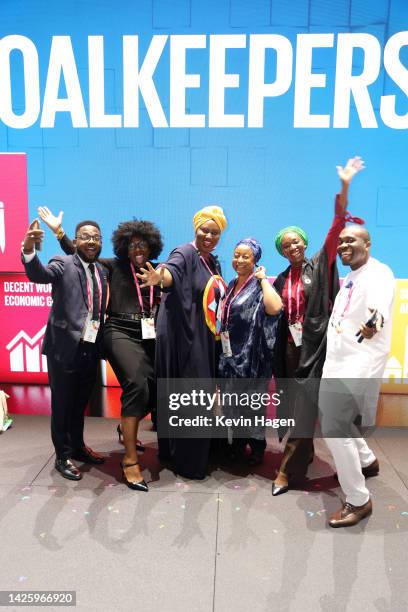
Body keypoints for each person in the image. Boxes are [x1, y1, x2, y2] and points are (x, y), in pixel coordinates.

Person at [38, 207, 163, 492]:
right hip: (116, 331)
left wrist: (163, 280)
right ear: (122, 247)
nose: (138, 248)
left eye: (143, 243)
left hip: (143, 335)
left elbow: (170, 285)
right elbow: (80, 255)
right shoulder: (112, 265)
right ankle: (76, 455)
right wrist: (59, 233)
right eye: (131, 244)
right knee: (134, 385)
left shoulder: (158, 267)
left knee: (152, 386)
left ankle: (111, 433)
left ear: (152, 245)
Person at [271, 156, 365, 496]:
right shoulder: (280, 278)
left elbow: (337, 224)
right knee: (299, 404)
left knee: (305, 408)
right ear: (281, 251)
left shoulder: (320, 264)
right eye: (285, 244)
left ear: (305, 243)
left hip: (318, 348)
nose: (292, 246)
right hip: (291, 349)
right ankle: (345, 458)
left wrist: (345, 185)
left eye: (296, 241)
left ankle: (285, 472)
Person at [137, 205, 228, 480]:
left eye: (215, 232)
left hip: (202, 336)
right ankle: (189, 462)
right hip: (182, 336)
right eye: (204, 230)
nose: (209, 236)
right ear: (195, 228)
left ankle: (180, 451)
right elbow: (170, 273)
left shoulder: (212, 261)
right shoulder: (185, 252)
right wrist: (158, 277)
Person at [319, 225, 395, 527]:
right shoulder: (350, 276)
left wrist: (374, 322)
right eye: (340, 242)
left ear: (368, 243)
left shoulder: (379, 273)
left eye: (350, 240)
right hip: (338, 359)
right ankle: (366, 460)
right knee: (332, 417)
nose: (343, 245)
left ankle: (358, 500)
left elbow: (380, 307)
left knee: (334, 427)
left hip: (360, 360)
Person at [21, 219, 108, 481]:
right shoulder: (62, 262)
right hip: (64, 348)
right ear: (76, 239)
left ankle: (78, 447)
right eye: (85, 237)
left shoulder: (102, 271)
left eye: (96, 237)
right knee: (62, 404)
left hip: (90, 348)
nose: (91, 241)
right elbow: (39, 275)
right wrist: (28, 248)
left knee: (80, 402)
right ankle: (62, 455)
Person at [218, 238, 282, 464]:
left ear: (255, 260)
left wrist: (263, 279)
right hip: (229, 355)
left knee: (252, 405)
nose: (239, 260)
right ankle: (237, 443)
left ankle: (256, 446)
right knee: (231, 404)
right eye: (237, 255)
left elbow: (275, 308)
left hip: (253, 356)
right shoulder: (230, 284)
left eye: (246, 256)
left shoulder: (260, 284)